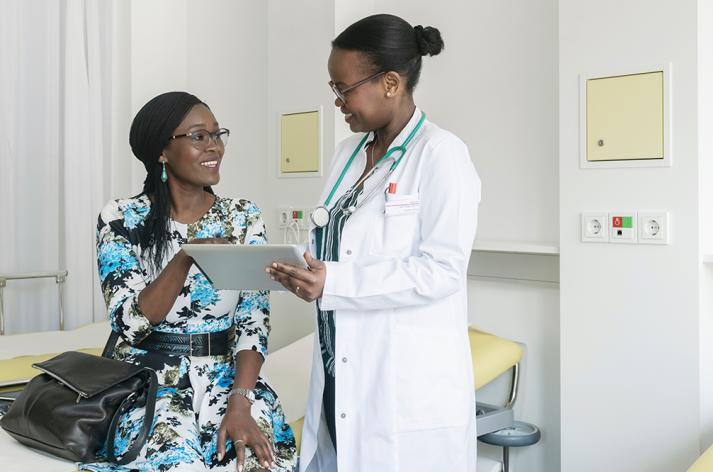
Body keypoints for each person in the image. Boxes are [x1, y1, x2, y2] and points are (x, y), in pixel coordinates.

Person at [266, 14, 482, 472]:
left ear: (389, 83)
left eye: (344, 89)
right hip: (337, 366)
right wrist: (303, 272)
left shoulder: (441, 154)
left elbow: (442, 271)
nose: (339, 102)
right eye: (333, 89)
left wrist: (334, 282)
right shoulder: (347, 153)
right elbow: (335, 243)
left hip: (402, 384)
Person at [84, 91, 297, 472]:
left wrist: (241, 400)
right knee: (180, 466)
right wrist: (185, 257)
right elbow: (130, 324)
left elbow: (253, 323)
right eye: (199, 136)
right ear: (162, 151)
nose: (214, 146)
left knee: (256, 465)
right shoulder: (121, 218)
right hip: (150, 382)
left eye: (217, 135)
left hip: (228, 379)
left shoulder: (242, 217)